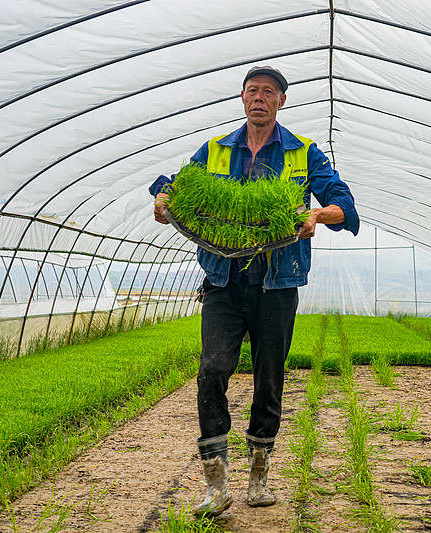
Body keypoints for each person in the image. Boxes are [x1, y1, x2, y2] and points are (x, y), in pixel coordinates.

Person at [150, 65, 359, 516]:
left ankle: (259, 477)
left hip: (276, 283)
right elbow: (173, 187)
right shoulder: (216, 150)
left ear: (282, 100)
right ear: (242, 99)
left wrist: (317, 217)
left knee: (269, 377)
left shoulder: (305, 153)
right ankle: (216, 485)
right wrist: (163, 202)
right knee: (212, 371)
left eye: (268, 92)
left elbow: (345, 206)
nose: (259, 98)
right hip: (223, 282)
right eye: (252, 91)